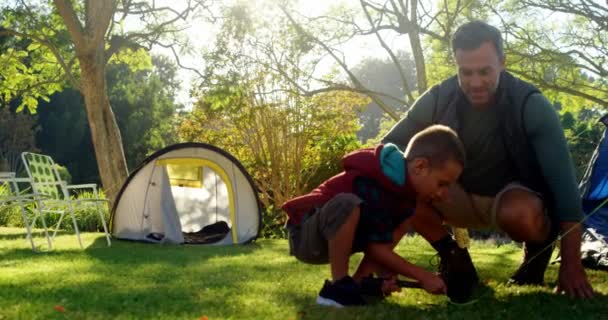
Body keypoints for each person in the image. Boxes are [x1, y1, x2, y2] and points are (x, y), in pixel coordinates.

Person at [382, 20, 594, 299]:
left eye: (485, 71)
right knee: (403, 183)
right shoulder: (436, 98)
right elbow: (385, 151)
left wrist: (572, 266)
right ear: (455, 65)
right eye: (466, 72)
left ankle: (535, 257)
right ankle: (454, 257)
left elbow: (566, 192)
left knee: (522, 214)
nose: (476, 82)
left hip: (513, 199)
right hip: (452, 196)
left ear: (502, 62)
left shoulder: (531, 104)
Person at [282, 125, 476, 307]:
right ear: (420, 166)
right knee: (347, 204)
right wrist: (422, 275)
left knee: (404, 217)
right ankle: (337, 288)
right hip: (305, 235)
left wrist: (383, 279)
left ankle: (359, 282)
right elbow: (376, 250)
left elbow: (381, 244)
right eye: (442, 183)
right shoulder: (377, 182)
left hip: (331, 236)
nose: (445, 195)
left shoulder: (404, 197)